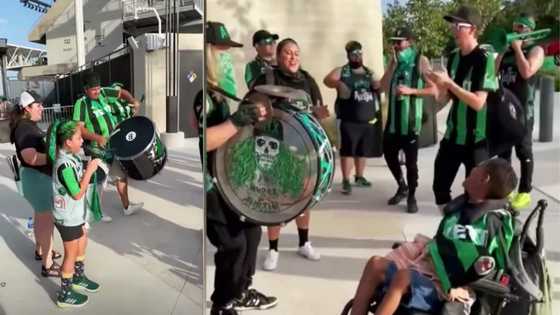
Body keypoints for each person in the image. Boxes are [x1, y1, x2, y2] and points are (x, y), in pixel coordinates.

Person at [350, 158, 517, 315]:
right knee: (375, 264)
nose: (473, 169)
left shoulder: (491, 223)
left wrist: (459, 286)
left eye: (478, 168)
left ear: (484, 178)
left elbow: (489, 267)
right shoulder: (462, 208)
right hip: (427, 267)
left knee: (403, 278)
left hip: (448, 287)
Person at [194, 21, 277, 315]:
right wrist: (237, 121)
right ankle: (222, 303)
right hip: (210, 186)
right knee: (233, 246)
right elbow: (206, 140)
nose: (227, 57)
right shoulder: (202, 95)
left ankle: (241, 290)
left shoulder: (219, 94)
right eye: (222, 51)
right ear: (207, 54)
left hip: (227, 177)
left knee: (253, 230)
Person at [252, 38, 329, 271]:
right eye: (288, 53)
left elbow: (316, 110)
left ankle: (304, 243)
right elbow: (251, 106)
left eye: (296, 53)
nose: (293, 57)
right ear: (278, 55)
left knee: (304, 196)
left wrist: (320, 113)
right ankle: (273, 249)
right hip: (273, 146)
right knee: (275, 198)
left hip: (303, 148)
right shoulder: (266, 78)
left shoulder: (307, 80)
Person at [428, 5, 498, 210]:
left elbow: (478, 102)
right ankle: (450, 230)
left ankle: (467, 234)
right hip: (452, 136)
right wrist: (434, 86)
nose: (454, 29)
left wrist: (449, 84)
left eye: (459, 25)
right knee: (439, 188)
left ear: (473, 29)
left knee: (474, 196)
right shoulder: (454, 57)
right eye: (453, 25)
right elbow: (448, 96)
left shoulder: (484, 59)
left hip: (476, 140)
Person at [378, 28, 437, 213]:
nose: (395, 45)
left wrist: (411, 91)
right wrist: (390, 66)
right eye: (393, 41)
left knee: (412, 163)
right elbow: (382, 86)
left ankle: (412, 195)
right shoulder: (394, 61)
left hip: (411, 122)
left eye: (399, 41)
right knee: (389, 155)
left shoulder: (420, 60)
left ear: (409, 41)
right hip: (393, 123)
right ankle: (401, 186)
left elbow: (434, 90)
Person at [72, 71, 143, 222]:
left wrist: (132, 100)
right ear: (85, 89)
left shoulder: (104, 92)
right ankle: (95, 212)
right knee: (99, 181)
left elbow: (120, 92)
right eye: (93, 89)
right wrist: (97, 137)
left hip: (114, 145)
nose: (97, 91)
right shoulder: (81, 104)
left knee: (120, 175)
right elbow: (79, 129)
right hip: (97, 149)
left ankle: (127, 207)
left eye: (98, 87)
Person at [47, 120, 101, 308]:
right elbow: (77, 193)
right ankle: (65, 293)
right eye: (78, 138)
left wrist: (86, 170)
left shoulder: (73, 156)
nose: (81, 141)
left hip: (76, 214)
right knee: (70, 254)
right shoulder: (64, 165)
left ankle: (78, 277)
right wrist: (90, 171)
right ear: (68, 142)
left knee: (81, 243)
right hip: (67, 217)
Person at [9, 90, 61, 277]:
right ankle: (48, 264)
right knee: (46, 221)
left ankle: (41, 251)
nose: (42, 108)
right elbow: (30, 157)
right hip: (37, 178)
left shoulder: (28, 125)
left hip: (35, 178)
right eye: (38, 105)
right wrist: (55, 157)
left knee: (41, 217)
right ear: (26, 108)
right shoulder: (25, 128)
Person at [496, 13, 545, 211]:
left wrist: (517, 50)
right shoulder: (508, 52)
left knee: (524, 152)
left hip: (524, 111)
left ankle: (525, 191)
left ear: (529, 30)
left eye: (520, 28)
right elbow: (492, 73)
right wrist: (501, 52)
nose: (515, 30)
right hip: (504, 111)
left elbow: (527, 72)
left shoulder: (536, 50)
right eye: (514, 26)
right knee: (503, 153)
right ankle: (506, 188)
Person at [324, 41, 381, 195]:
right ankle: (346, 180)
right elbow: (327, 80)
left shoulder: (369, 72)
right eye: (354, 54)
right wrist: (339, 84)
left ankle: (359, 176)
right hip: (348, 119)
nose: (357, 56)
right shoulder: (343, 71)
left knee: (362, 151)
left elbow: (378, 85)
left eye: (359, 54)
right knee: (347, 151)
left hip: (367, 120)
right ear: (348, 55)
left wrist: (379, 85)